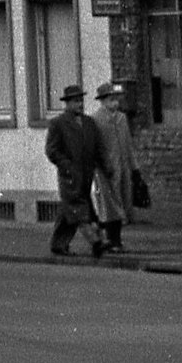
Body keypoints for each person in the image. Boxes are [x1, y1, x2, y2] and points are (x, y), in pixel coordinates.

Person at [45, 83, 104, 258]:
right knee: (77, 209)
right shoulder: (58, 123)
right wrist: (66, 165)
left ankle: (58, 244)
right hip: (70, 175)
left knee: (68, 210)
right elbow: (52, 150)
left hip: (86, 175)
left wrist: (102, 166)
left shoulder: (88, 122)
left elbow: (97, 147)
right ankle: (95, 241)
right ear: (67, 103)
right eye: (75, 101)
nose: (80, 104)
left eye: (81, 101)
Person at [91, 81, 136, 255]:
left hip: (122, 166)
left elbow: (128, 144)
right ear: (102, 101)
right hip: (106, 169)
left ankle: (117, 239)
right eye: (111, 99)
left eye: (116, 99)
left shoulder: (122, 118)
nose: (115, 103)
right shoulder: (96, 120)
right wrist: (101, 166)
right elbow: (96, 147)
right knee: (109, 205)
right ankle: (112, 239)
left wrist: (134, 168)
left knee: (122, 202)